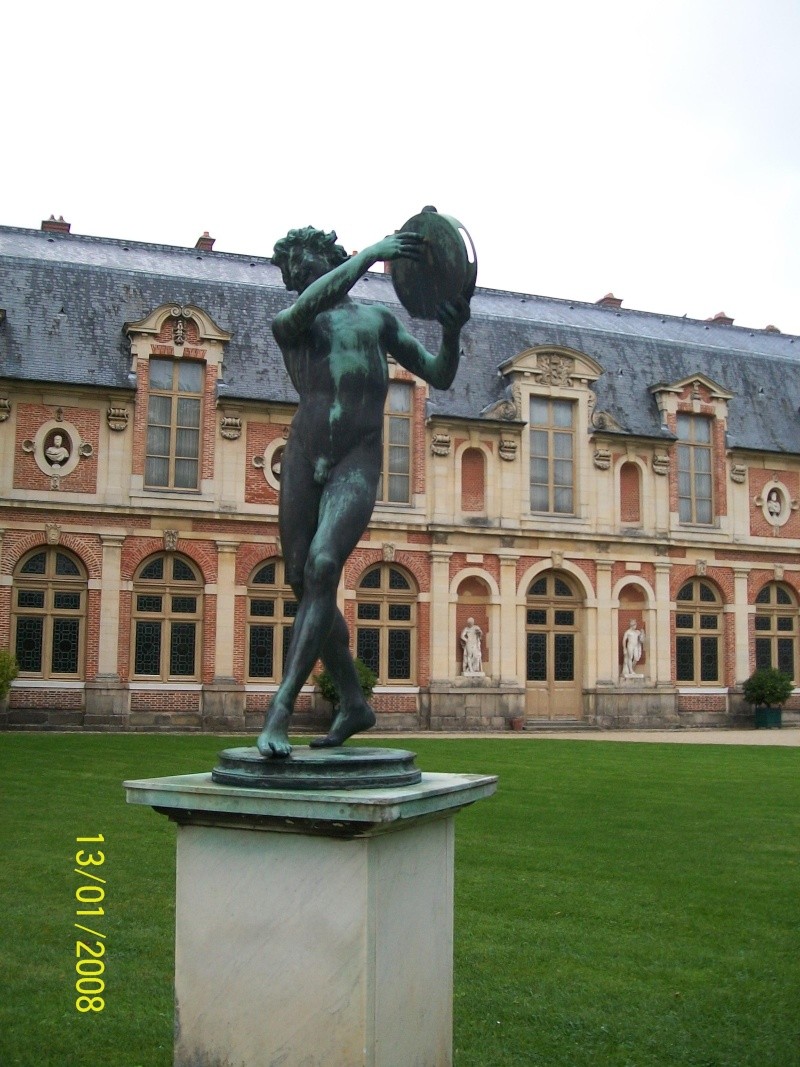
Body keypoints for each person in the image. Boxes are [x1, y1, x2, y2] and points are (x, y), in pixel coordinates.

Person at [257, 226, 470, 757]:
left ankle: (279, 709)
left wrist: (453, 331)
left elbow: (440, 376)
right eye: (289, 266)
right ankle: (354, 702)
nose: (294, 270)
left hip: (357, 458)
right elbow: (305, 305)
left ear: (328, 258)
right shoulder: (294, 325)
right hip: (305, 453)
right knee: (301, 582)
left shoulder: (378, 321)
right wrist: (372, 256)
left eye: (302, 259)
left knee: (323, 567)